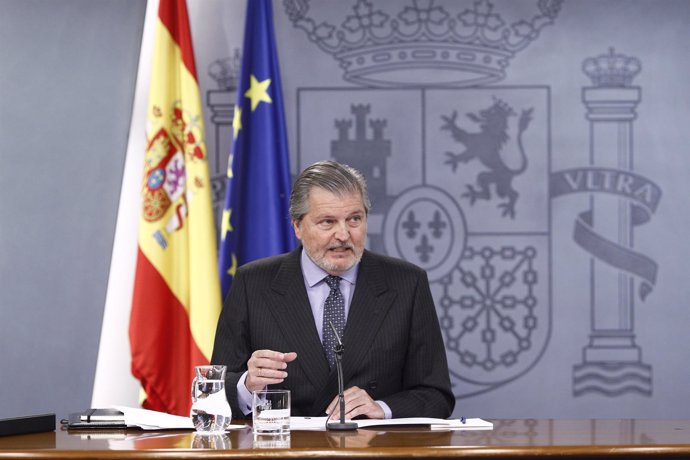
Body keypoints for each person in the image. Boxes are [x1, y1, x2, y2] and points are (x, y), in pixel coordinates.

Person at [212, 160, 455, 419]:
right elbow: (213, 394)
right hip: (286, 452)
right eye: (328, 222)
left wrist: (382, 409)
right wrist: (247, 385)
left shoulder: (407, 283)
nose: (343, 234)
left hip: (372, 451)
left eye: (354, 219)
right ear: (297, 226)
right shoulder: (254, 283)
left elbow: (436, 396)